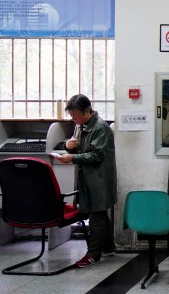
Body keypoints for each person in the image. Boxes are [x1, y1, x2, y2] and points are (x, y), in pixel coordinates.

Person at [52, 94, 117, 268]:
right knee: (100, 212)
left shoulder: (100, 127)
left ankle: (92, 255)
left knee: (96, 214)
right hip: (87, 177)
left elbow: (97, 155)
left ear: (87, 111)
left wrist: (72, 158)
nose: (73, 119)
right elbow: (80, 147)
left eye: (75, 115)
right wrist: (68, 145)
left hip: (99, 178)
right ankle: (109, 247)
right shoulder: (81, 126)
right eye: (71, 116)